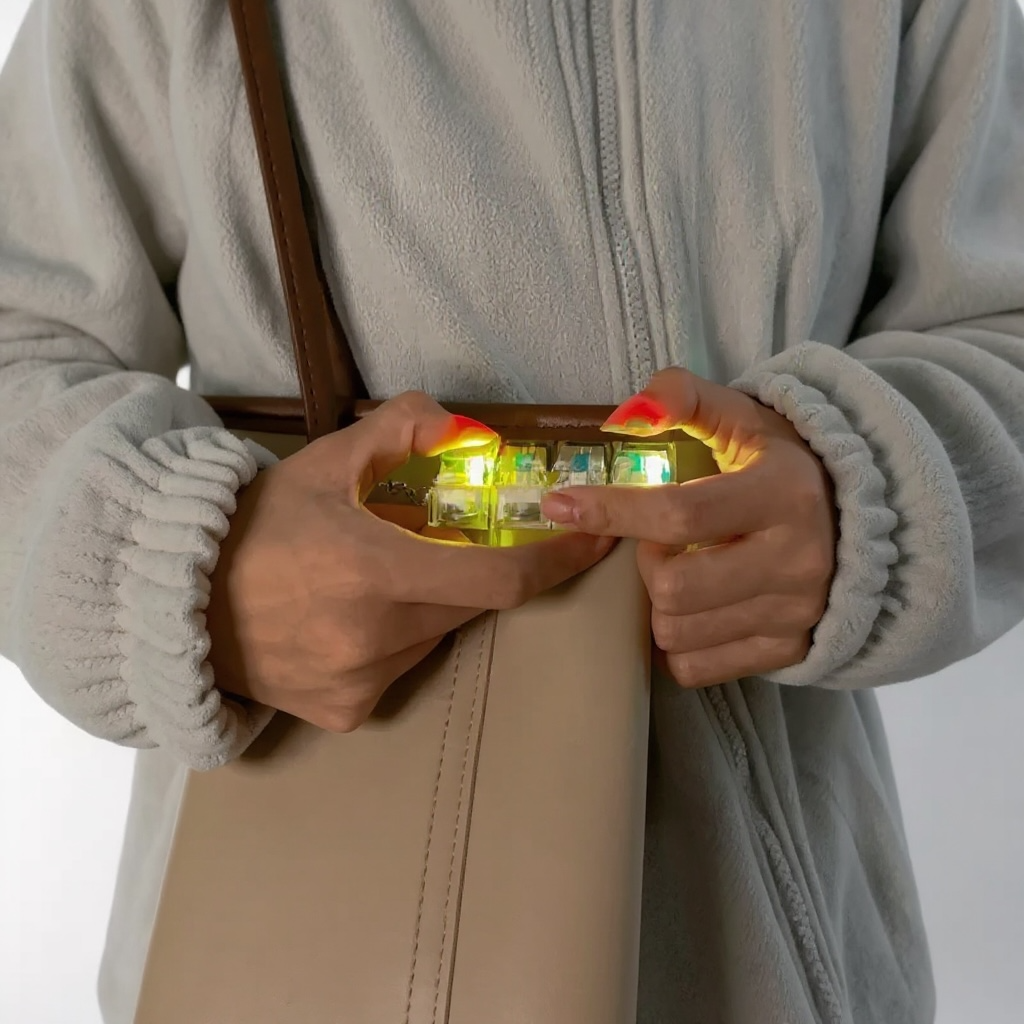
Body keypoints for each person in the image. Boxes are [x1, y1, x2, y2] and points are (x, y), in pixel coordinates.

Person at [2, 0, 1023, 1020]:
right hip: (311, 904)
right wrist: (188, 569)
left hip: (775, 933)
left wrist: (861, 492)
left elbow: (1001, 321)